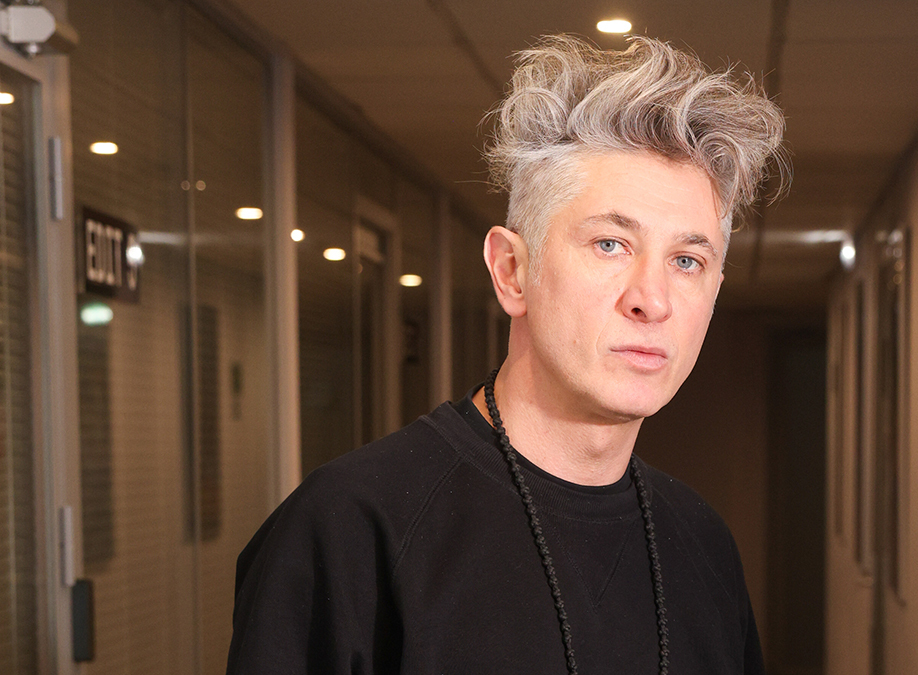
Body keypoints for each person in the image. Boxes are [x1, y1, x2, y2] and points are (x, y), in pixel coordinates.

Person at [226, 34, 786, 675]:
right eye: (610, 244)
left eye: (687, 261)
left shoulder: (704, 546)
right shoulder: (351, 530)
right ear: (512, 271)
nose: (651, 300)